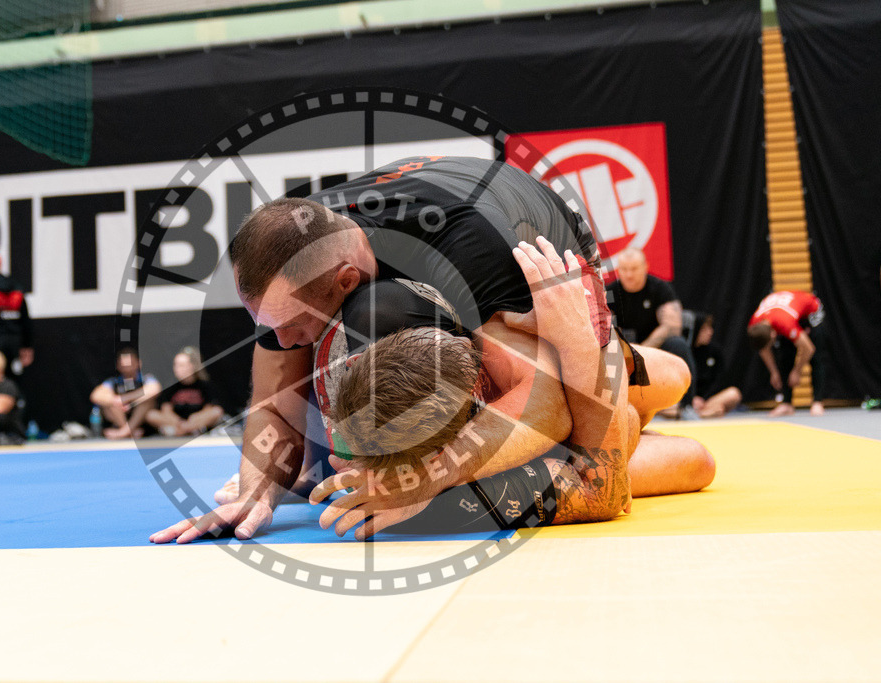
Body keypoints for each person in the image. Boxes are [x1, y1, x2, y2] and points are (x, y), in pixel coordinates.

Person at [151, 155, 688, 543]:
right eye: (267, 328)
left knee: (589, 420)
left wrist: (421, 479)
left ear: (344, 279)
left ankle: (641, 369)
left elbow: (545, 402)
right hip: (439, 233)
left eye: (289, 327)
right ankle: (638, 380)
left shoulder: (476, 264)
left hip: (525, 241)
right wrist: (256, 491)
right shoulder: (298, 244)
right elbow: (273, 396)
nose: (281, 342)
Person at [606, 248, 698, 419]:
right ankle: (611, 408)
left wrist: (643, 350)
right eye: (624, 270)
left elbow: (672, 325)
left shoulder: (660, 288)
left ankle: (685, 406)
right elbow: (603, 327)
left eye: (634, 269)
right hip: (625, 346)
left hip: (655, 344)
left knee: (678, 344)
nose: (629, 275)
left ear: (645, 267)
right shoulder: (610, 292)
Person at [747, 290, 827, 416]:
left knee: (816, 357)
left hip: (810, 310)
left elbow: (809, 349)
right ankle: (787, 403)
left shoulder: (785, 323)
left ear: (773, 334)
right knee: (785, 356)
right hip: (785, 312)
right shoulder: (754, 324)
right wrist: (773, 372)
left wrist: (797, 371)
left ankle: (817, 402)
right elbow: (763, 348)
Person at [146, 347, 225, 437]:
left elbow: (208, 408)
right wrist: (179, 422)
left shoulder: (204, 385)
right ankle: (187, 430)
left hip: (195, 420)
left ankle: (186, 430)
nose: (177, 369)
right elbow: (166, 410)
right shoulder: (171, 386)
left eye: (181, 365)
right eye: (175, 365)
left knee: (217, 411)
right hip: (176, 422)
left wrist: (192, 420)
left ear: (193, 366)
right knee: (151, 414)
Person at [90, 346, 162, 439]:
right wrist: (115, 400)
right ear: (118, 365)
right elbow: (96, 395)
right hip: (121, 417)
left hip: (142, 419)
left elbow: (155, 389)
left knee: (148, 402)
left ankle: (125, 432)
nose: (127, 368)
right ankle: (128, 431)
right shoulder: (114, 381)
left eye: (130, 364)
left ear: (138, 363)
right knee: (110, 403)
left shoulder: (146, 378)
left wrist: (127, 400)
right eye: (124, 365)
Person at [689, 313, 743, 418]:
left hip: (708, 401)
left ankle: (702, 412)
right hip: (688, 400)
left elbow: (720, 380)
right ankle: (706, 413)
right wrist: (692, 398)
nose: (710, 332)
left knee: (734, 393)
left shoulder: (715, 352)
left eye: (710, 328)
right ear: (696, 330)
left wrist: (703, 399)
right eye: (704, 330)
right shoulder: (686, 351)